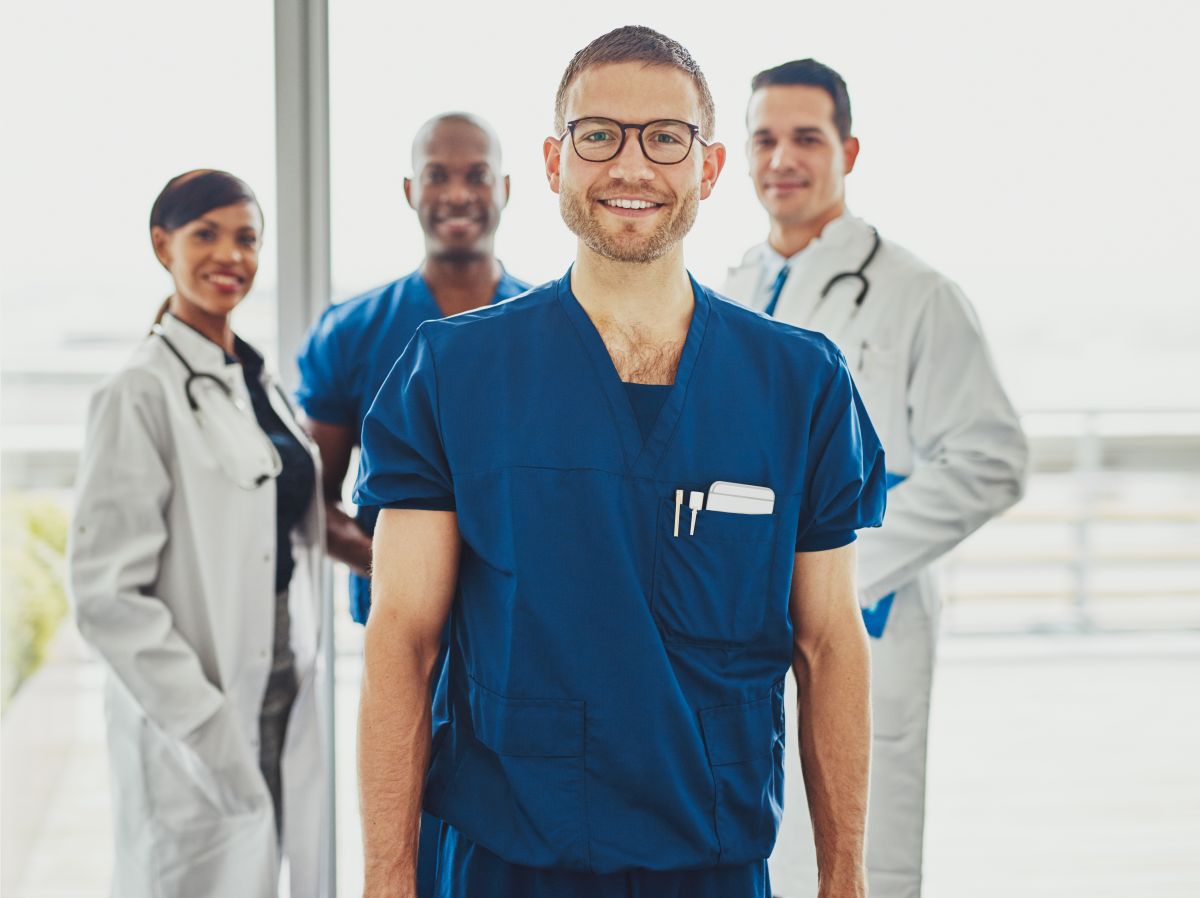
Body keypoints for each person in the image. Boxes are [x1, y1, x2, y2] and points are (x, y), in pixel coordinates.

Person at [355, 26, 887, 898]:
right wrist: (385, 880)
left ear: (709, 168)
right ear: (556, 161)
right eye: (598, 134)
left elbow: (828, 644)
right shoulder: (451, 374)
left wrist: (846, 879)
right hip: (506, 858)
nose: (630, 166)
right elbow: (403, 640)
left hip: (709, 860)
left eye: (665, 138)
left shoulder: (799, 384)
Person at [722, 60, 1029, 898]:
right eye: (764, 138)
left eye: (806, 138)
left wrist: (845, 566)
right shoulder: (733, 285)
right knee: (756, 838)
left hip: (866, 614)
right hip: (744, 617)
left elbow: (992, 457)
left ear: (847, 151)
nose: (782, 157)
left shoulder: (918, 295)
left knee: (861, 854)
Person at [68, 170, 331, 898]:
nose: (231, 256)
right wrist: (203, 718)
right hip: (201, 707)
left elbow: (289, 521)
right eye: (205, 235)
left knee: (273, 865)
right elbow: (104, 595)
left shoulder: (255, 380)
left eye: (247, 238)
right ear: (163, 245)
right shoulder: (140, 391)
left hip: (283, 681)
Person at [296, 112, 530, 626]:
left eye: (477, 175)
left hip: (520, 621)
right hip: (397, 618)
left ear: (506, 189)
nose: (456, 194)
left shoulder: (550, 331)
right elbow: (314, 501)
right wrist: (395, 571)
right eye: (436, 176)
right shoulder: (351, 332)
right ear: (409, 190)